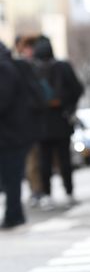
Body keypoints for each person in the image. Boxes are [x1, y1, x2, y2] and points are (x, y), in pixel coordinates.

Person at [32, 36, 84, 208]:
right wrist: (67, 106)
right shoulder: (63, 67)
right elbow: (77, 89)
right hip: (60, 120)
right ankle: (68, 192)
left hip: (43, 124)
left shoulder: (33, 70)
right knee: (64, 159)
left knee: (45, 161)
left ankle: (47, 194)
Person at [0, 41, 41, 228]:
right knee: (11, 177)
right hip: (14, 133)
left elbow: (3, 100)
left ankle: (14, 215)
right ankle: (14, 214)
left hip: (11, 134)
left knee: (12, 177)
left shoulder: (4, 69)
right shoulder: (10, 66)